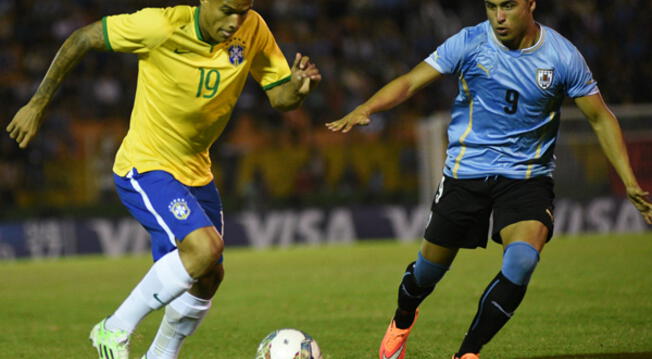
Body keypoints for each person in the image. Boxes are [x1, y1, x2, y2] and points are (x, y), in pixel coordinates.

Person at [327, 0, 652, 358]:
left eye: (508, 6)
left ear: (530, 4)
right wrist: (366, 108)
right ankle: (403, 319)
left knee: (522, 262)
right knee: (426, 274)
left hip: (527, 178)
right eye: (491, 6)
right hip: (466, 173)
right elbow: (410, 81)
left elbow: (601, 118)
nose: (498, 17)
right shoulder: (469, 42)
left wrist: (630, 182)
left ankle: (468, 352)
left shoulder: (562, 56)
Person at [6, 0, 321, 358]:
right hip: (146, 163)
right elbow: (83, 38)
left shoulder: (253, 28)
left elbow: (279, 96)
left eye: (243, 11)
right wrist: (38, 104)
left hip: (197, 172)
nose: (235, 21)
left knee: (209, 276)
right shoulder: (160, 26)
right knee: (204, 249)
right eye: (227, 10)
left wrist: (296, 88)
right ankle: (113, 328)